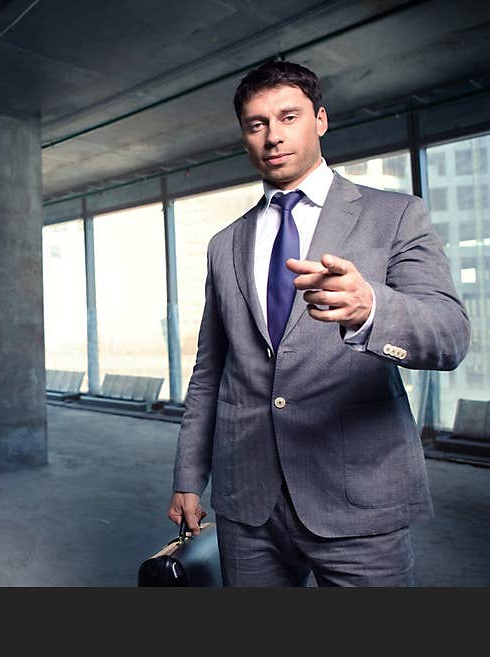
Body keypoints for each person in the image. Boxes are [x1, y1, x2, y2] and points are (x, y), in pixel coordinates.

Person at [167, 60, 470, 586]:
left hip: (358, 497)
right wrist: (189, 476)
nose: (273, 136)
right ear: (244, 135)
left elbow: (449, 336)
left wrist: (372, 307)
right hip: (248, 501)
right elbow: (209, 371)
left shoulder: (395, 215)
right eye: (257, 124)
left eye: (289, 117)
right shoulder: (224, 245)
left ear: (321, 120)